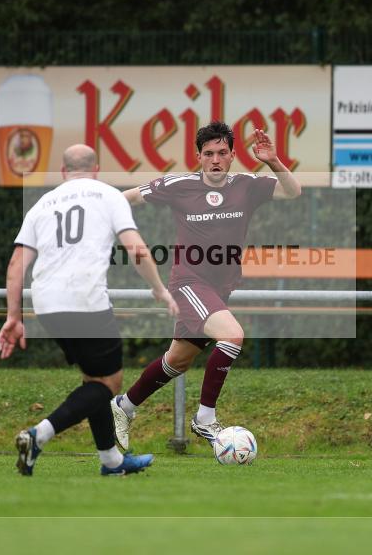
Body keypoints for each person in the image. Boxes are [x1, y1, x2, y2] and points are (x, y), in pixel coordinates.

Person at [110, 121, 302, 449]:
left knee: (177, 361)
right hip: (188, 282)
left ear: (232, 156)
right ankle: (205, 419)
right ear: (198, 156)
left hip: (219, 288)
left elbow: (292, 191)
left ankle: (123, 406)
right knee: (232, 336)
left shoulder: (247, 185)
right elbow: (126, 198)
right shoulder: (179, 185)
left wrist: (272, 160)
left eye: (222, 153)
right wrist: (97, 210)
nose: (215, 159)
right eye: (209, 153)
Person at [0, 144, 179, 476]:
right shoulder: (109, 195)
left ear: (64, 172)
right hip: (85, 300)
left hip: (47, 304)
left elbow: (15, 265)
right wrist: (159, 289)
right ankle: (38, 435)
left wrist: (13, 317)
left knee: (93, 378)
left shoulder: (41, 204)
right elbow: (136, 248)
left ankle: (111, 461)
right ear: (96, 169)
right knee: (109, 383)